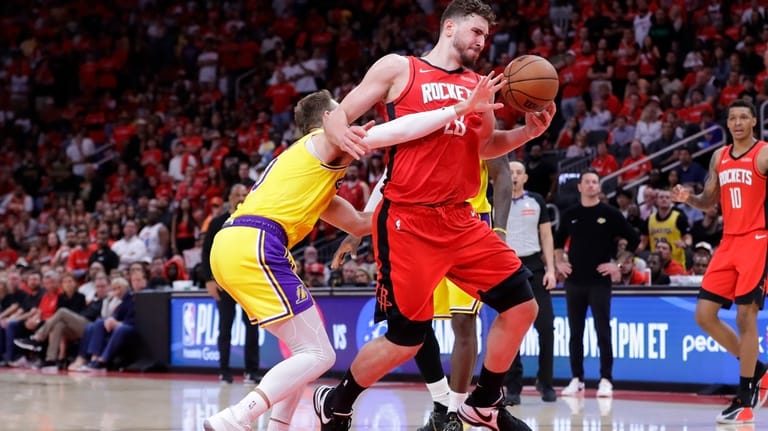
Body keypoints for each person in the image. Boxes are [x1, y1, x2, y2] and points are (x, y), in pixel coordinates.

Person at [203, 75, 504, 431]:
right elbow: (397, 132)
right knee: (319, 355)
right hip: (256, 242)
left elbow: (362, 222)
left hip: (233, 245)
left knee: (305, 352)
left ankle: (278, 426)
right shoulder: (323, 140)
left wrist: (417, 211)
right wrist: (457, 110)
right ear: (329, 119)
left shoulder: (308, 173)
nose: (351, 118)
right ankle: (237, 417)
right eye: (343, 113)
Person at [313, 1, 555, 430]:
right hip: (409, 221)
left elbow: (483, 148)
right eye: (476, 32)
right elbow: (338, 116)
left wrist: (526, 132)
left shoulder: (479, 85)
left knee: (522, 306)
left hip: (460, 219)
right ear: (449, 27)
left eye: (486, 36)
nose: (481, 42)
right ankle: (337, 401)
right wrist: (340, 135)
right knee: (406, 340)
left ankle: (485, 402)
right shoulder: (399, 68)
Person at [334, 156, 512, 431]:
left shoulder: (479, 130)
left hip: (468, 223)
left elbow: (502, 174)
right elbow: (389, 176)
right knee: (414, 320)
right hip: (422, 227)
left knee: (463, 320)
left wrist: (499, 230)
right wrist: (358, 229)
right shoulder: (417, 131)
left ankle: (456, 413)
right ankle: (441, 404)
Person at [671, 100, 768, 424]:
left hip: (757, 239)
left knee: (745, 316)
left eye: (744, 117)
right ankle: (759, 370)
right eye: (733, 118)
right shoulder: (720, 156)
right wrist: (688, 198)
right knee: (704, 315)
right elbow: (709, 200)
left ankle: (745, 397)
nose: (738, 122)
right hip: (728, 242)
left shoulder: (764, 154)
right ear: (727, 123)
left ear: (754, 122)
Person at [555, 169, 639, 398]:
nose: (592, 185)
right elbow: (557, 241)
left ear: (599, 187)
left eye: (595, 182)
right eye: (588, 182)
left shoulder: (610, 213)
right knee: (575, 332)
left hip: (599, 282)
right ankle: (576, 378)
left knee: (603, 330)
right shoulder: (570, 213)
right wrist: (559, 262)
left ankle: (606, 379)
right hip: (574, 282)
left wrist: (617, 265)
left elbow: (633, 239)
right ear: (580, 186)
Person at [503, 160, 558, 405]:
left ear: (525, 177)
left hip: (534, 266)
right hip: (507, 268)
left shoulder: (536, 201)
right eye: (510, 172)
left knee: (546, 326)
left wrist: (551, 270)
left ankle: (545, 382)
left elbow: (546, 235)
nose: (514, 176)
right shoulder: (494, 201)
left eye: (519, 172)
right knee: (511, 329)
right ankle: (513, 385)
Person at [200, 183, 261, 384]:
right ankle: (224, 371)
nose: (241, 198)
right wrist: (208, 279)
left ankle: (251, 371)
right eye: (237, 194)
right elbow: (206, 252)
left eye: (244, 194)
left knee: (252, 326)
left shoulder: (253, 219)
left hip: (246, 282)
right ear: (230, 198)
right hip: (223, 283)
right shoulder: (218, 222)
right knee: (225, 327)